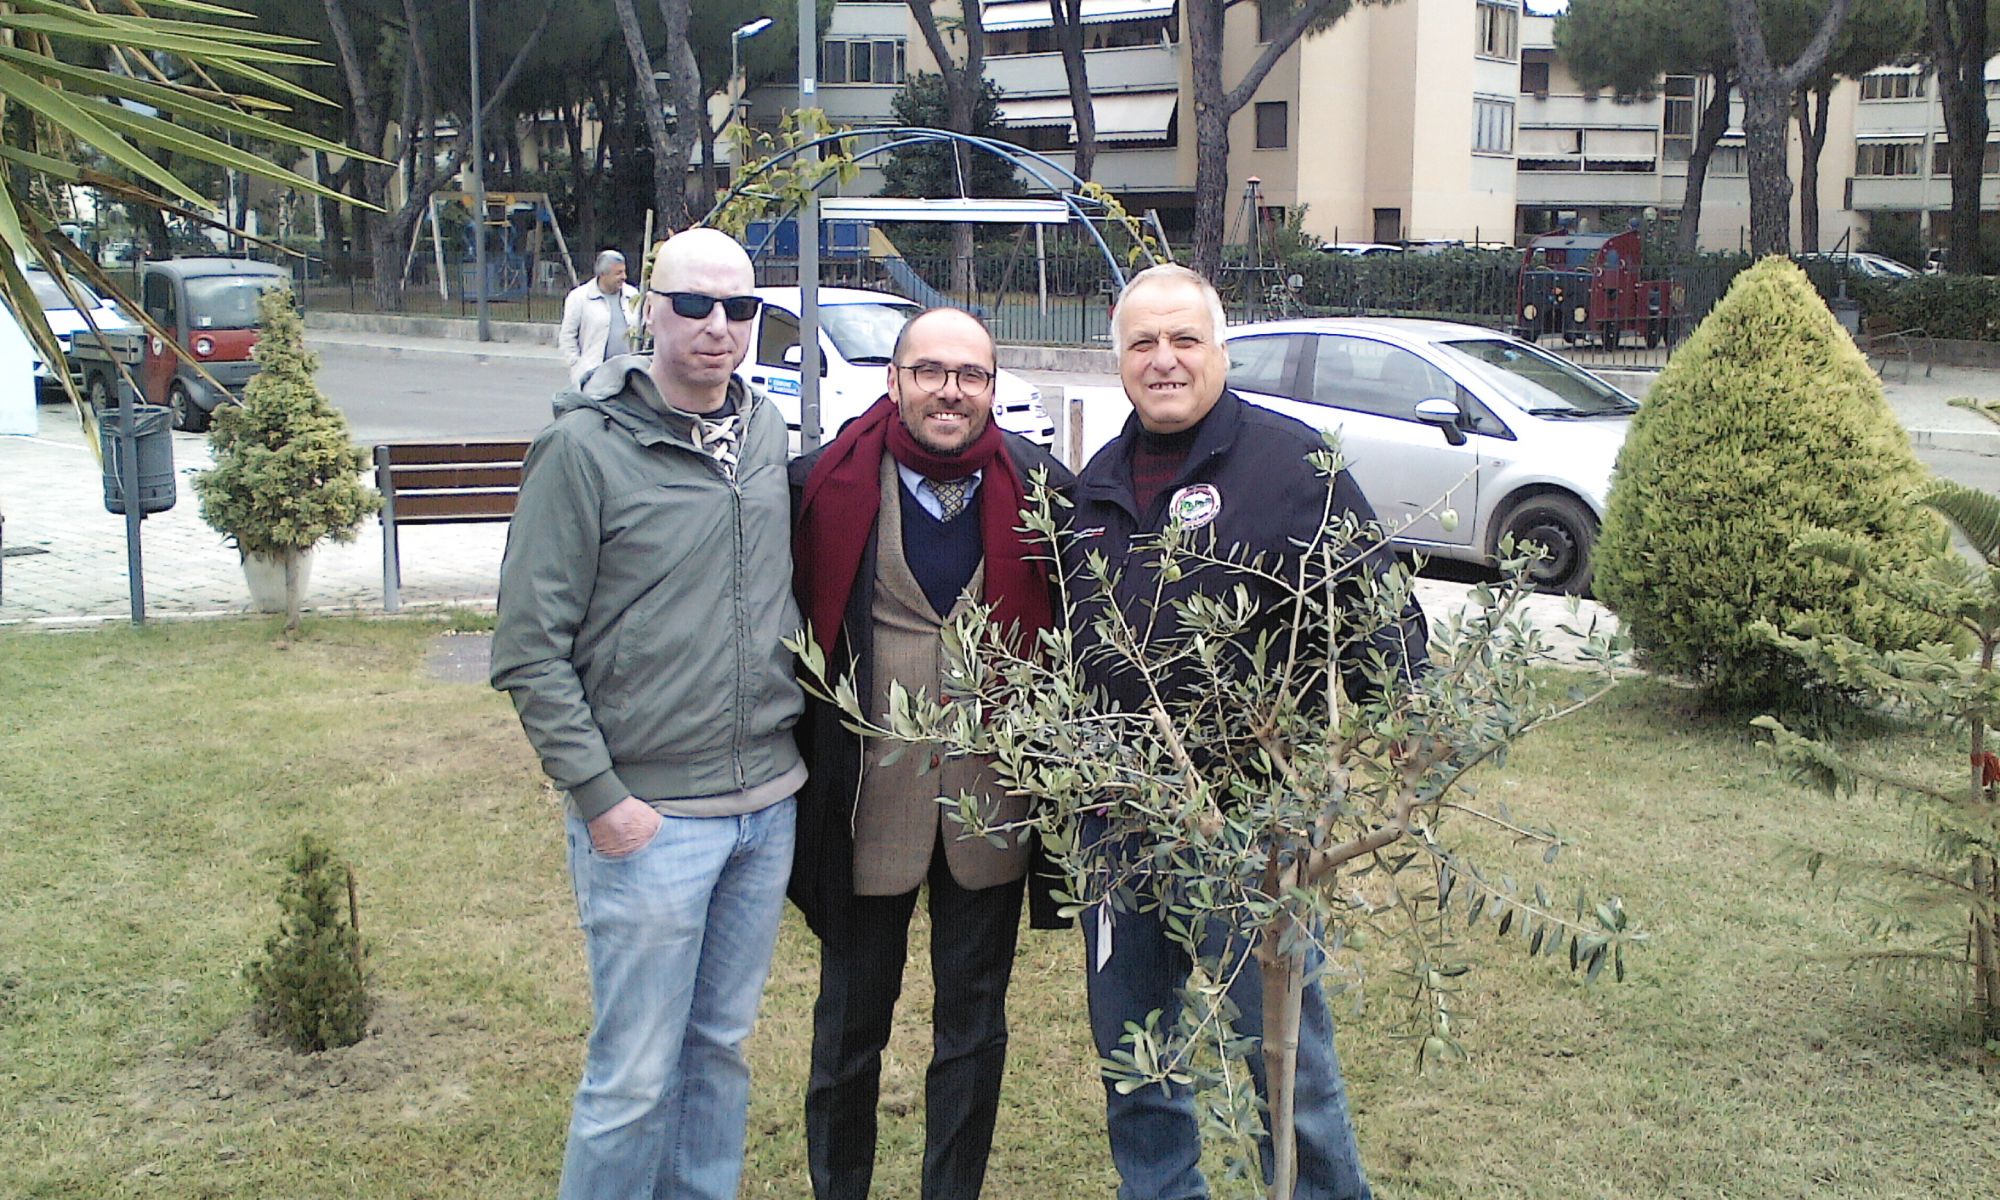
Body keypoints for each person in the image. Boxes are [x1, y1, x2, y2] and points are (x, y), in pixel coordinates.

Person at [1065, 264, 1430, 1200]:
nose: (1164, 360)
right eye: (1143, 343)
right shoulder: (1097, 485)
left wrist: (1405, 716)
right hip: (1120, 824)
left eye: (1184, 339)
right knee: (1137, 1055)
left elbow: (1380, 608)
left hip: (1250, 827)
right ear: (1119, 361)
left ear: (1220, 350)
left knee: (1283, 1058)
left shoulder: (1289, 464)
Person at [490, 227, 801, 1200]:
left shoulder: (762, 430)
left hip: (765, 809)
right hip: (650, 821)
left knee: (718, 1052)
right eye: (695, 304)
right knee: (631, 1076)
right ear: (647, 310)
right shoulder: (583, 448)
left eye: (740, 308)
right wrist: (600, 797)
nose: (718, 327)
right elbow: (527, 648)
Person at [790, 307, 1073, 1200]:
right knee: (848, 1033)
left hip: (992, 808)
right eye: (930, 371)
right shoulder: (822, 486)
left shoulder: (1043, 491)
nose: (951, 389)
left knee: (975, 1029)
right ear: (895, 381)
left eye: (972, 374)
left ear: (993, 388)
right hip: (870, 803)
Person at [559, 249, 641, 388]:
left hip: (628, 375)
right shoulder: (579, 297)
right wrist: (577, 366)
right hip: (593, 376)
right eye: (618, 273)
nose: (624, 277)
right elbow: (567, 336)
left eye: (624, 271)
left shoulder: (632, 295)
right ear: (603, 274)